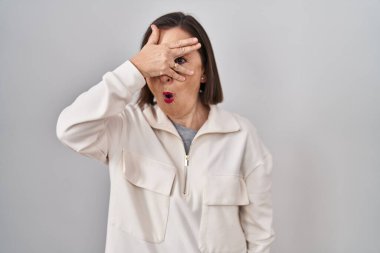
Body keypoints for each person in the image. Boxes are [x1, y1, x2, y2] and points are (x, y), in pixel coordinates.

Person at [56, 11, 275, 253]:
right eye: (158, 60)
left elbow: (260, 238)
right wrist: (135, 68)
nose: (165, 74)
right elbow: (70, 129)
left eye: (179, 60)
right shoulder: (125, 127)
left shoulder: (241, 136)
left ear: (204, 71)